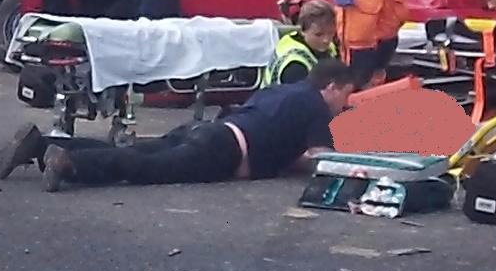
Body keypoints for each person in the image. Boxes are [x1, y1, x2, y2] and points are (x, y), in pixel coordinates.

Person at [22, 61, 358, 190]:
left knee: (133, 150)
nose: (345, 103)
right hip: (224, 152)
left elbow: (280, 141)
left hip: (211, 131)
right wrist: (361, 167)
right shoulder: (317, 107)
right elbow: (324, 161)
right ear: (331, 87)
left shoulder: (285, 91)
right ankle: (70, 163)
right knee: (146, 167)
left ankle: (42, 144)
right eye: (346, 94)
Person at [270, 0, 340, 85]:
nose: (326, 40)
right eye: (318, 34)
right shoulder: (294, 65)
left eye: (330, 33)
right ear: (303, 30)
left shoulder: (329, 46)